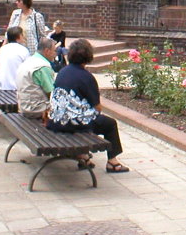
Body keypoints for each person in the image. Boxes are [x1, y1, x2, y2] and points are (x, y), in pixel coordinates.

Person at [47, 39, 129, 173]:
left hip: (56, 121)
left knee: (81, 113)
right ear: (88, 57)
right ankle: (112, 163)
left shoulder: (62, 71)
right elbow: (97, 107)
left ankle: (83, 155)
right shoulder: (87, 77)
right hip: (72, 124)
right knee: (110, 124)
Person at [16, 37, 57, 120]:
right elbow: (51, 93)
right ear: (47, 51)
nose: (55, 54)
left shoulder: (28, 61)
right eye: (54, 51)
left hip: (24, 106)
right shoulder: (43, 66)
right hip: (37, 109)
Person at [0, 26, 29, 91]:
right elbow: (28, 70)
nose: (23, 37)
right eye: (22, 35)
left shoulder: (2, 49)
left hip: (1, 85)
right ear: (18, 37)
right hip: (15, 87)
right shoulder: (23, 50)